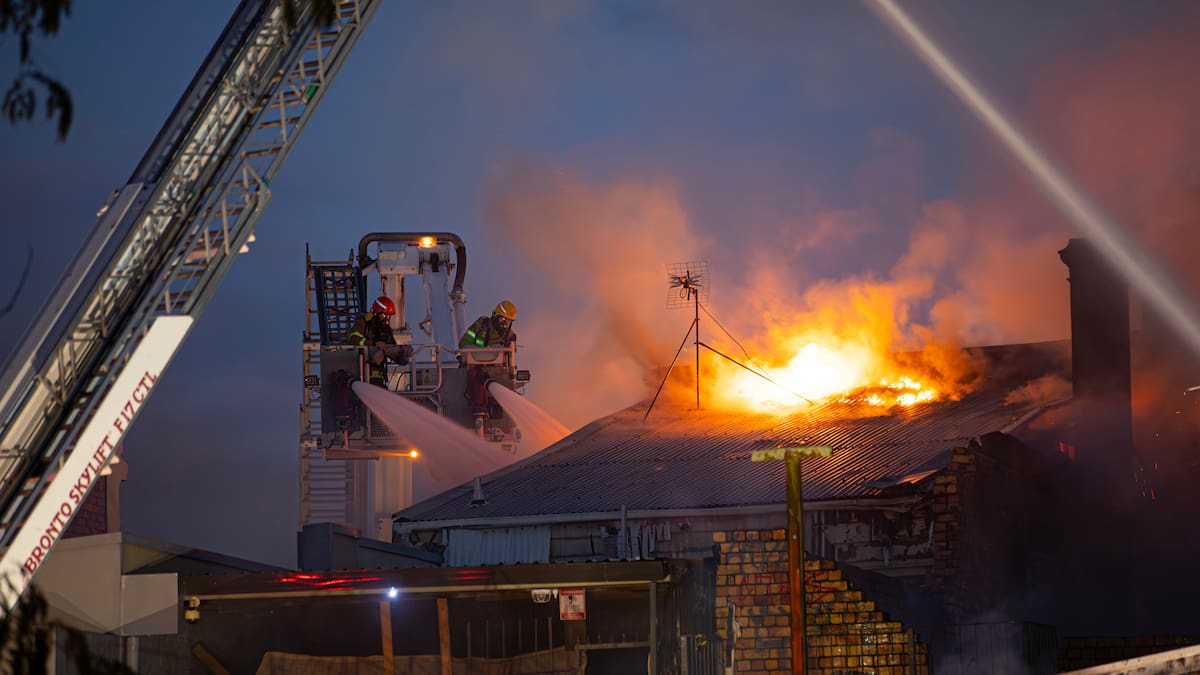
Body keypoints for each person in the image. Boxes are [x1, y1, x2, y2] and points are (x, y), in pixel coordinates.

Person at [459, 300, 517, 411]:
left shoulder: (510, 336)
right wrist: (476, 354)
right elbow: (464, 343)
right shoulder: (481, 325)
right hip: (473, 368)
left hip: (497, 373)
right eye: (503, 320)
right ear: (495, 316)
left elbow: (510, 360)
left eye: (508, 322)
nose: (504, 324)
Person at [349, 296, 410, 386]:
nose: (387, 320)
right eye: (385, 316)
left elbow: (392, 349)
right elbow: (353, 338)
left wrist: (402, 355)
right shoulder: (363, 323)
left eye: (389, 317)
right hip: (360, 374)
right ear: (377, 313)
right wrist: (373, 344)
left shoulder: (387, 331)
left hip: (378, 377)